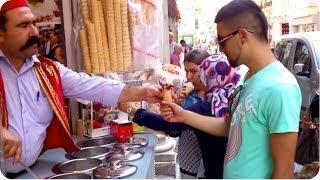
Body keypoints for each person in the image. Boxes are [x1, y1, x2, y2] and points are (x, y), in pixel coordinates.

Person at [0, 0, 162, 175]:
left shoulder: (48, 71)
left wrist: (141, 93)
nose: (34, 32)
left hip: (33, 170)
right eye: (23, 25)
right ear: (1, 34)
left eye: (34, 24)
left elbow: (93, 86)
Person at [160, 0, 302, 178]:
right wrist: (183, 115)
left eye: (222, 40)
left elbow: (284, 170)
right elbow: (231, 125)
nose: (220, 48)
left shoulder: (280, 87)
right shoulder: (250, 78)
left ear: (242, 36)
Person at [121, 54, 241, 178]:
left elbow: (166, 123)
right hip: (226, 168)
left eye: (197, 72)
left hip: (212, 169)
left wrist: (132, 110)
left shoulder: (207, 105)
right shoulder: (231, 96)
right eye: (186, 71)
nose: (190, 77)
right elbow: (175, 129)